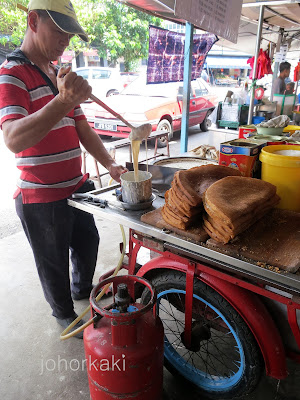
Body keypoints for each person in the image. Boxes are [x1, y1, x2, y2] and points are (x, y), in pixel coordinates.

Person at [0, 0, 127, 338]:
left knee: (88, 244)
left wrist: (111, 163)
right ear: (33, 21)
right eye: (60, 30)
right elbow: (13, 138)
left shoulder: (59, 74)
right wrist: (63, 100)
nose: (66, 40)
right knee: (52, 265)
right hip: (40, 197)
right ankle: (64, 316)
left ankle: (80, 294)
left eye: (70, 33)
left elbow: (82, 127)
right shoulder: (12, 74)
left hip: (77, 188)